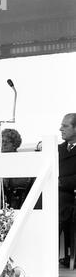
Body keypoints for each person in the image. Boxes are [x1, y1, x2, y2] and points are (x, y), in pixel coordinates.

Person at [0, 129, 35, 209]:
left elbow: (22, 181)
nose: (3, 144)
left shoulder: (20, 159)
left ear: (15, 144)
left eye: (7, 142)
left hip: (13, 195)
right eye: (1, 141)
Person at [58, 113, 76, 267]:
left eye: (65, 126)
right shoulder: (57, 149)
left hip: (70, 196)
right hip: (56, 193)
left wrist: (60, 182)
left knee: (57, 202)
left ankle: (47, 252)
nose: (60, 129)